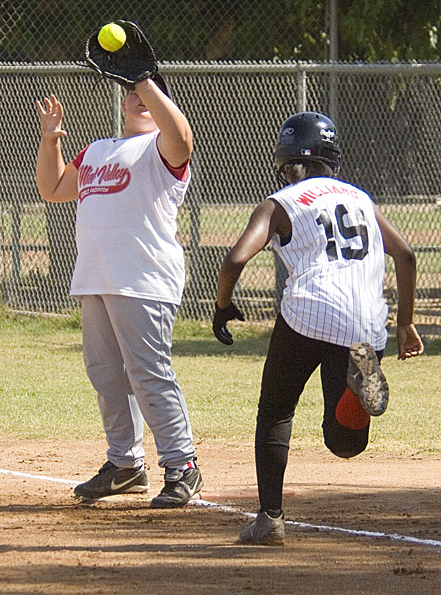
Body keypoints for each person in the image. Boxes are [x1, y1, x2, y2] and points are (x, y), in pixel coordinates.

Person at [212, 111, 424, 545]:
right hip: (367, 322)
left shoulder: (281, 202)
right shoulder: (360, 197)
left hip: (310, 310)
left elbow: (234, 259)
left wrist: (223, 305)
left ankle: (270, 520)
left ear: (286, 162)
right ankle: (355, 392)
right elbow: (405, 255)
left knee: (276, 410)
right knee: (344, 444)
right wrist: (405, 324)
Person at [36, 73, 203, 508]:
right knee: (106, 375)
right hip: (96, 276)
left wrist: (144, 79)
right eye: (133, 92)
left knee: (147, 373)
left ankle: (182, 463)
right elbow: (53, 189)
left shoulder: (162, 147)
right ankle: (125, 464)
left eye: (150, 92)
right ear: (124, 102)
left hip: (143, 277)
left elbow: (183, 138)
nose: (141, 97)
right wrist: (50, 139)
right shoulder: (96, 150)